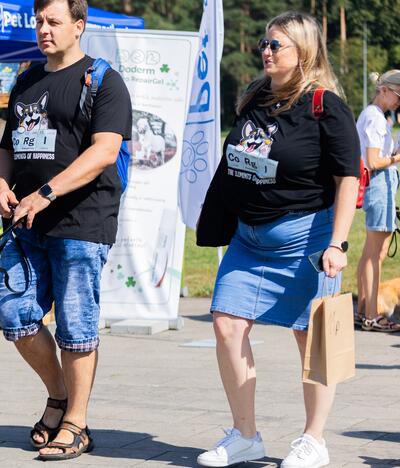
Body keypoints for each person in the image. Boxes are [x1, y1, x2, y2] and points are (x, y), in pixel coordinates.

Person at [196, 12, 360, 468]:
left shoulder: (327, 106)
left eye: (276, 46)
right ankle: (245, 435)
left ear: (304, 52)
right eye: (265, 45)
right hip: (249, 240)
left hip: (306, 240)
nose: (266, 52)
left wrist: (338, 244)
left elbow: (348, 179)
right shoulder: (257, 98)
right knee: (226, 325)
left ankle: (313, 440)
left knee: (312, 341)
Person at [0, 0, 131, 461]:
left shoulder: (103, 80)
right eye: (38, 21)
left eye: (53, 21)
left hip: (82, 221)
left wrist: (47, 193)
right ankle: (59, 396)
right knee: (15, 315)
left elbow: (105, 152)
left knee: (76, 326)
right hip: (25, 221)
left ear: (79, 25)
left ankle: (76, 422)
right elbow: (8, 147)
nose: (43, 29)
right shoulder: (26, 80)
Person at [355, 70, 400, 332]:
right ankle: (372, 314)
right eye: (397, 95)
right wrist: (396, 158)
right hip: (379, 183)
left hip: (381, 184)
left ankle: (365, 310)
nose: (398, 102)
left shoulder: (375, 116)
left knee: (374, 252)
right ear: (384, 90)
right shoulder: (374, 117)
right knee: (375, 255)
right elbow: (373, 162)